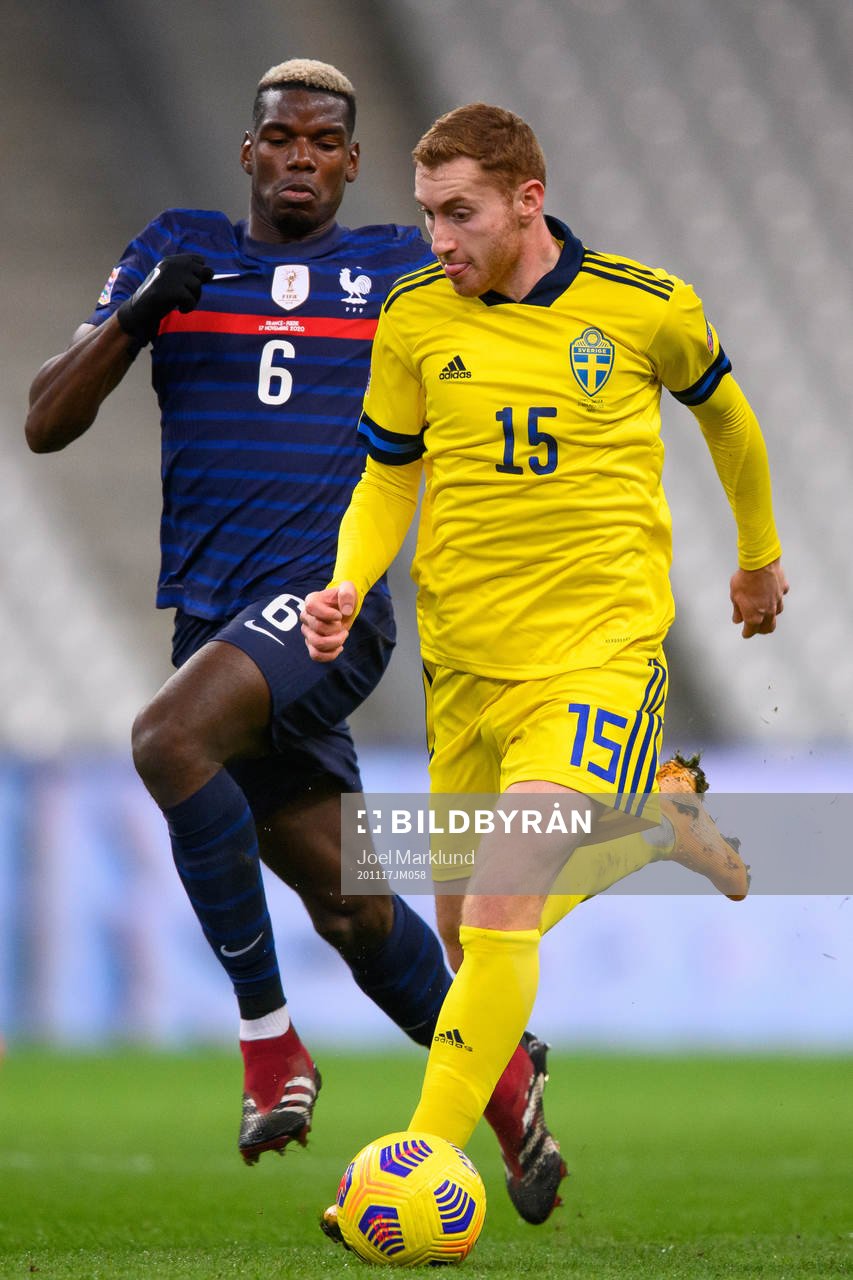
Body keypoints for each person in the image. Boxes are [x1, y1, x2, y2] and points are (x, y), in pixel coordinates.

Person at [23, 63, 572, 1221]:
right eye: (282, 139)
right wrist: (135, 316)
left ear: (354, 162)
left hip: (329, 609)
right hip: (219, 620)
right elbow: (44, 421)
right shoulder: (176, 250)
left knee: (169, 740)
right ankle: (512, 1084)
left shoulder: (394, 268)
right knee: (352, 904)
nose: (303, 158)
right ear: (249, 151)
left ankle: (271, 1047)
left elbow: (526, 284)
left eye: (325, 141)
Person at [302, 102, 787, 1169]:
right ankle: (657, 820)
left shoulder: (643, 306)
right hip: (463, 661)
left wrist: (755, 555)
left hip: (595, 653)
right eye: (428, 213)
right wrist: (345, 582)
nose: (439, 238)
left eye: (460, 213)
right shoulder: (416, 316)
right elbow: (388, 473)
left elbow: (730, 417)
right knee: (470, 929)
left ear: (528, 200)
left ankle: (421, 1157)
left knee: (503, 891)